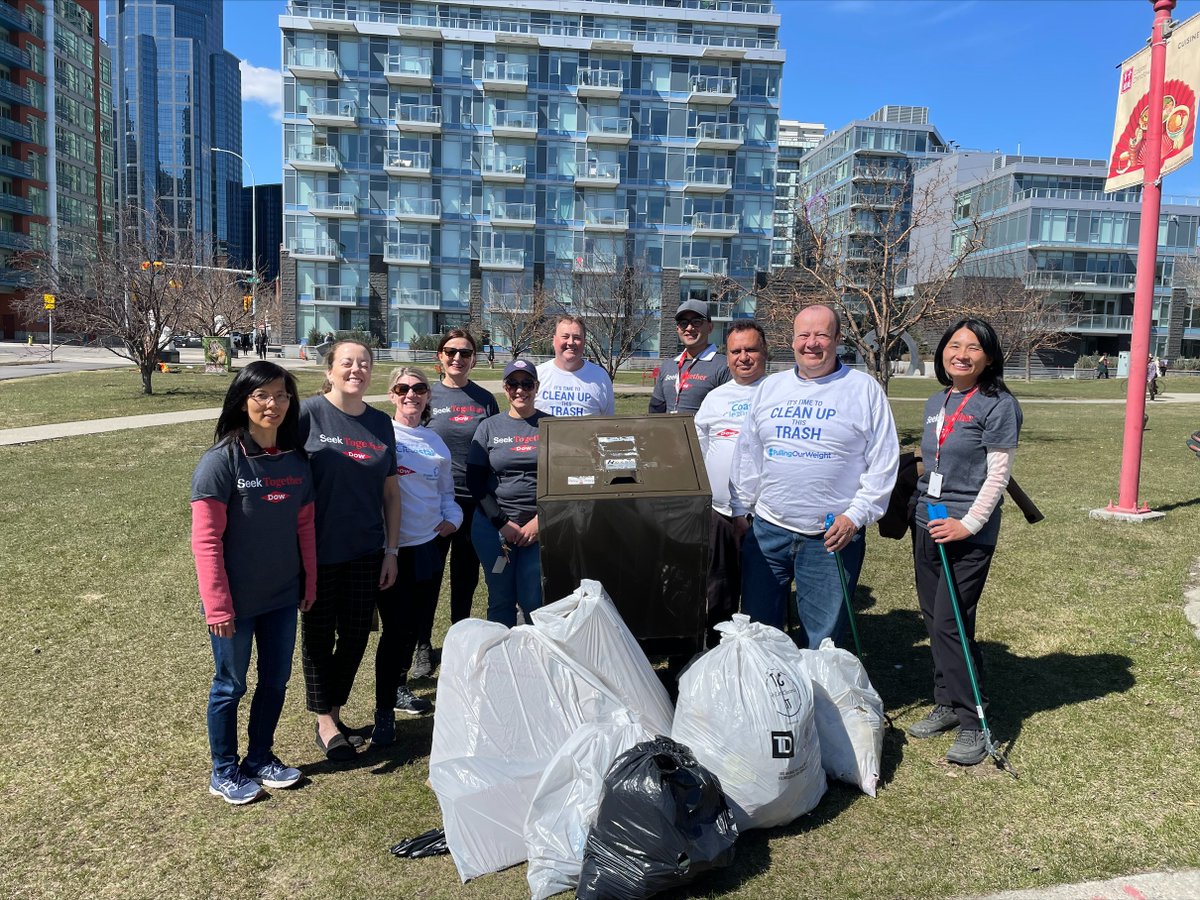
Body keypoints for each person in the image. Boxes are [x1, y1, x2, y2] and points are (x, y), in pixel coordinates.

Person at [730, 304, 899, 649]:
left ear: (837, 338)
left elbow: (883, 462)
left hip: (831, 536)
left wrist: (855, 516)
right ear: (792, 341)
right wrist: (741, 508)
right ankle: (771, 700)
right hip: (768, 530)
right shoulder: (771, 387)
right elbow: (749, 452)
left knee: (821, 641)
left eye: (821, 334)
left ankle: (818, 698)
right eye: (803, 335)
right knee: (760, 636)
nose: (812, 343)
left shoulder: (864, 390)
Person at [190, 361, 316, 804]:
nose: (273, 405)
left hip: (282, 596)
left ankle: (259, 757)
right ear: (243, 400)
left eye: (281, 396)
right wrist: (218, 606)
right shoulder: (221, 461)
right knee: (231, 685)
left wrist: (309, 582)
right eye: (262, 395)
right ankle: (223, 770)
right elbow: (206, 541)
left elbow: (304, 528)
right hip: (236, 603)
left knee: (276, 680)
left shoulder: (296, 461)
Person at [907, 318, 1022, 766]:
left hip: (966, 532)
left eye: (973, 348)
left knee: (950, 623)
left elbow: (998, 475)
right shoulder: (939, 399)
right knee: (935, 618)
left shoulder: (998, 404)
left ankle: (975, 723)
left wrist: (969, 524)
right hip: (927, 521)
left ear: (989, 357)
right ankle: (947, 703)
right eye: (954, 345)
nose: (961, 353)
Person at [298, 339, 401, 761]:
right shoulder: (308, 413)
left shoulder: (380, 423)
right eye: (346, 362)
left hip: (365, 549)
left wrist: (391, 550)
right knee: (318, 636)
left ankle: (333, 710)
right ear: (329, 370)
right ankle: (325, 722)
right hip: (317, 551)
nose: (355, 369)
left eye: (363, 363)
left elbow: (391, 493)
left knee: (357, 633)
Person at [372, 367, 462, 744]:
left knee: (414, 625)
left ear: (428, 396)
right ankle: (382, 712)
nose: (412, 394)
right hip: (390, 551)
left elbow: (446, 493)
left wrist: (452, 518)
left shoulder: (435, 442)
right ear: (392, 394)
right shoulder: (381, 436)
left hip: (427, 546)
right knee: (393, 630)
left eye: (420, 388)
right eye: (403, 388)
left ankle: (399, 687)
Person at [426, 329, 500, 669]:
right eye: (451, 351)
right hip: (435, 501)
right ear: (440, 356)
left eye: (465, 353)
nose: (458, 358)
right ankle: (421, 646)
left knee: (466, 576)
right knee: (429, 576)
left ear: (474, 358)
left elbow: (495, 447)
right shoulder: (426, 396)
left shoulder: (485, 400)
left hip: (473, 502)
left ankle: (458, 640)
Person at [693, 320, 769, 646]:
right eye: (736, 351)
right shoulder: (714, 399)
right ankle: (719, 652)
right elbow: (699, 450)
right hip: (718, 514)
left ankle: (757, 653)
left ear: (765, 352)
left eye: (751, 349)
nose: (743, 357)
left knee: (760, 590)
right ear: (727, 357)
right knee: (719, 590)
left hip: (765, 515)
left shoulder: (777, 392)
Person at [467, 359, 551, 626]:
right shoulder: (488, 427)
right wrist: (503, 524)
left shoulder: (552, 426)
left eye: (527, 383)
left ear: (536, 387)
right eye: (513, 383)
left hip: (540, 529)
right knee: (500, 599)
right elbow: (475, 482)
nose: (520, 390)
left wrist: (540, 521)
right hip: (494, 530)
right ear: (504, 387)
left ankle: (536, 660)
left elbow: (567, 480)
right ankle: (501, 662)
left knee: (533, 598)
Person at [648, 299, 731, 414]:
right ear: (677, 329)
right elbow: (655, 409)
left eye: (697, 322)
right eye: (683, 323)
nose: (689, 328)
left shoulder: (725, 366)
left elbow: (729, 413)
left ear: (710, 327)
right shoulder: (668, 366)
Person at [535, 314, 615, 417]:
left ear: (584, 342)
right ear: (554, 340)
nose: (571, 342)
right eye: (565, 337)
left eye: (577, 337)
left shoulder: (600, 377)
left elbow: (607, 424)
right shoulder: (537, 374)